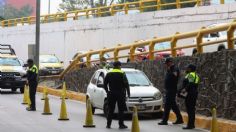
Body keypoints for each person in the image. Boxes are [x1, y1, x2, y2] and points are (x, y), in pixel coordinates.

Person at [104, 61, 130, 129]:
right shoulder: (122, 73)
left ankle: (108, 125)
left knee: (110, 109)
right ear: (119, 66)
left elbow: (105, 84)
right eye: (120, 66)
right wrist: (128, 93)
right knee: (121, 109)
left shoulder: (109, 73)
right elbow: (126, 84)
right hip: (120, 93)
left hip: (111, 93)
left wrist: (107, 91)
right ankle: (121, 125)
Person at [158, 58, 183, 125]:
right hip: (169, 89)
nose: (166, 65)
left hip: (172, 90)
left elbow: (174, 77)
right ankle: (179, 119)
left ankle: (164, 120)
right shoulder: (170, 69)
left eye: (166, 63)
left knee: (167, 105)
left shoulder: (175, 68)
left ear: (170, 62)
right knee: (173, 105)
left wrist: (170, 71)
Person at [182, 64, 200, 130]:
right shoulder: (196, 75)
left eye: (188, 68)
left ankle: (190, 125)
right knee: (192, 109)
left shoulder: (191, 74)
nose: (187, 68)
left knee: (190, 109)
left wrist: (185, 89)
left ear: (190, 69)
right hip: (194, 93)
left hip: (190, 93)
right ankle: (191, 124)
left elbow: (191, 83)